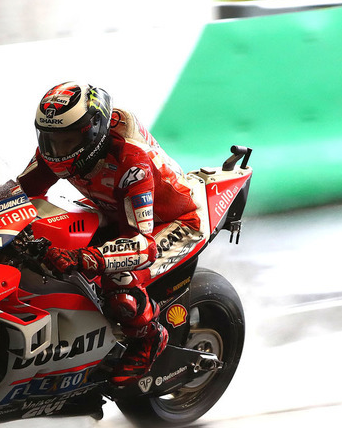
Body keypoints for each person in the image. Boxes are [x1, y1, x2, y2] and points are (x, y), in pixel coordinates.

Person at [17, 81, 204, 386]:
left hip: (173, 221)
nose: (55, 150)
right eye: (49, 140)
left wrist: (85, 259)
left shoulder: (132, 163)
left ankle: (149, 339)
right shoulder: (59, 151)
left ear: (92, 132)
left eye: (65, 141)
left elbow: (142, 247)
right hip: (114, 210)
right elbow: (19, 194)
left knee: (120, 284)